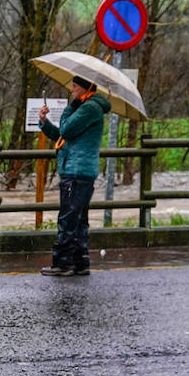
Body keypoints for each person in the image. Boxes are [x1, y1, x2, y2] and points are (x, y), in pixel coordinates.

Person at [37, 75, 112, 276]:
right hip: (77, 170)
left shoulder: (90, 108)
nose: (71, 89)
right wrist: (44, 122)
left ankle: (63, 263)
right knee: (78, 219)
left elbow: (67, 129)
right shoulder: (87, 107)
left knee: (68, 218)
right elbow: (62, 135)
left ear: (86, 88)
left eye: (75, 86)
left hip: (77, 171)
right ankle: (80, 261)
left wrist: (71, 107)